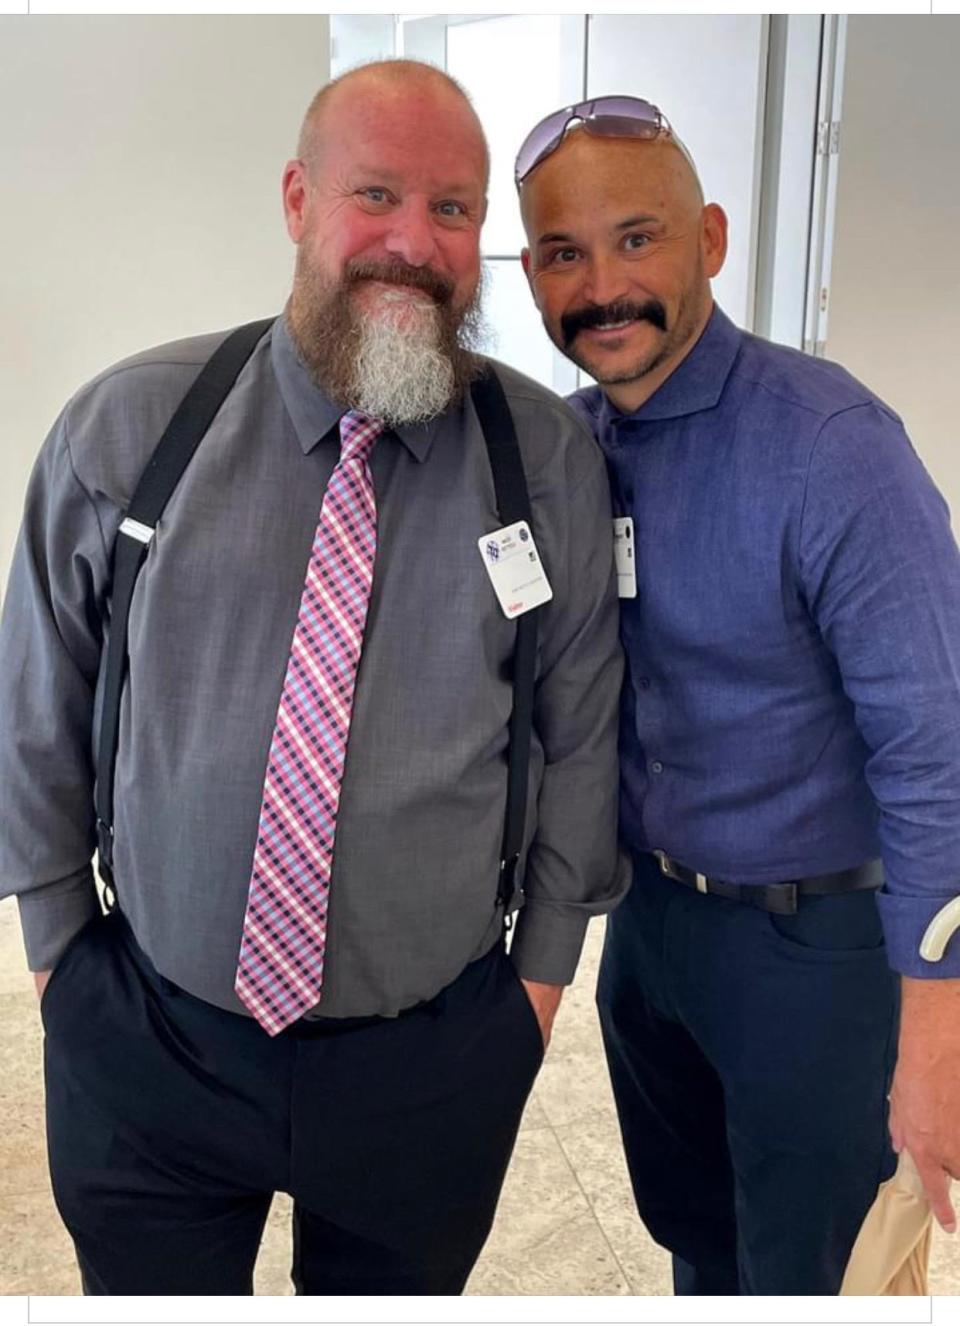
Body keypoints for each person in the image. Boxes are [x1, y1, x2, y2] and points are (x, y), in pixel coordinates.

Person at [0, 61, 626, 1296]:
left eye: (452, 209)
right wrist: (62, 958)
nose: (415, 241)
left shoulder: (540, 459)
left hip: (432, 1064)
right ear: (297, 197)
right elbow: (36, 708)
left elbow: (581, 732)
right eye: (376, 194)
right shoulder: (132, 430)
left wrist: (534, 995)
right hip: (152, 1043)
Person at [516, 94, 960, 1295]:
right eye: (565, 252)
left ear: (710, 238)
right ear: (530, 272)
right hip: (653, 932)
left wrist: (938, 1029)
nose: (605, 285)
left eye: (638, 238)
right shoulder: (564, 451)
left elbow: (937, 745)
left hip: (814, 951)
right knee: (697, 1244)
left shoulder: (833, 449)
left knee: (808, 1272)